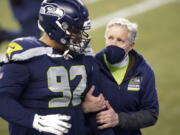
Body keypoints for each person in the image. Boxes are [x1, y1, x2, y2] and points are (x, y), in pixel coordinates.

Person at [0, 0, 114, 135]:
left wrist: (83, 109)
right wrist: (34, 120)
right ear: (54, 28)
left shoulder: (84, 55)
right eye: (75, 30)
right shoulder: (27, 54)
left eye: (81, 30)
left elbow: (98, 107)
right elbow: (3, 100)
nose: (79, 36)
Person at [82, 18, 159, 135]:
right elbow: (70, 107)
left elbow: (151, 114)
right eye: (110, 38)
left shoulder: (144, 71)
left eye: (120, 40)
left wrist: (119, 119)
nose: (113, 43)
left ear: (131, 45)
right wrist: (84, 108)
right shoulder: (91, 67)